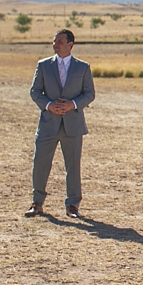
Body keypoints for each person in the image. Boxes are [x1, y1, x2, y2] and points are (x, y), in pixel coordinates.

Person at [26, 29, 95, 219]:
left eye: (60, 42)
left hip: (73, 125)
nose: (55, 45)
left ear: (70, 44)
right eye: (54, 41)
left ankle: (72, 205)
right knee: (40, 163)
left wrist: (73, 104)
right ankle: (37, 203)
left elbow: (89, 94)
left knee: (73, 166)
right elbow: (35, 91)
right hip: (48, 124)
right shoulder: (43, 66)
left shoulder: (82, 67)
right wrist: (49, 105)